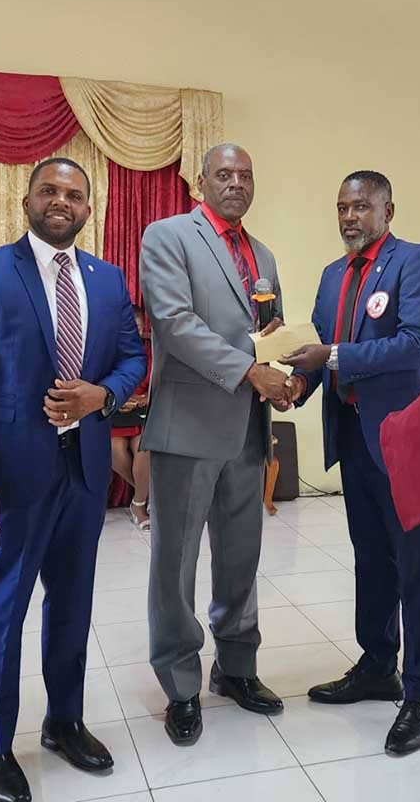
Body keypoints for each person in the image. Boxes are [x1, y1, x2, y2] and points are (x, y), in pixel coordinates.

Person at [0, 158, 146, 802]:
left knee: (73, 603)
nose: (63, 202)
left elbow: (133, 357)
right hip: (10, 477)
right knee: (3, 607)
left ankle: (63, 721)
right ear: (27, 199)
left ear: (90, 209)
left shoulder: (107, 280)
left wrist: (101, 396)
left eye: (75, 195)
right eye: (51, 191)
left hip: (84, 472)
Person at [280, 170, 420, 757]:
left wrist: (332, 355)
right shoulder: (332, 276)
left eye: (361, 206)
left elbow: (416, 344)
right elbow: (322, 347)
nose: (350, 217)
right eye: (342, 207)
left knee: (415, 561)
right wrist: (293, 383)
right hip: (351, 433)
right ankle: (379, 664)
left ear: (388, 210)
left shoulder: (416, 262)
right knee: (370, 555)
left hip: (402, 437)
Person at [139, 142, 291, 747]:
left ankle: (236, 668)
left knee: (241, 556)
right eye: (224, 174)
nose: (236, 183)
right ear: (200, 181)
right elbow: (175, 324)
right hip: (188, 425)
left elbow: (266, 330)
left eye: (245, 175)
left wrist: (282, 362)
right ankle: (180, 685)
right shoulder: (169, 236)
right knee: (176, 562)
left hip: (248, 430)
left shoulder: (263, 253)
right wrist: (248, 370)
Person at [110, 304, 152, 530]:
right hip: (114, 407)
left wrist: (144, 398)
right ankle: (150, 495)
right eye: (129, 327)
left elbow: (158, 382)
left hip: (143, 409)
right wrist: (120, 399)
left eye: (138, 326)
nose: (134, 331)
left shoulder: (150, 349)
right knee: (115, 450)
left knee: (143, 447)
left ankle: (138, 503)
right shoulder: (108, 349)